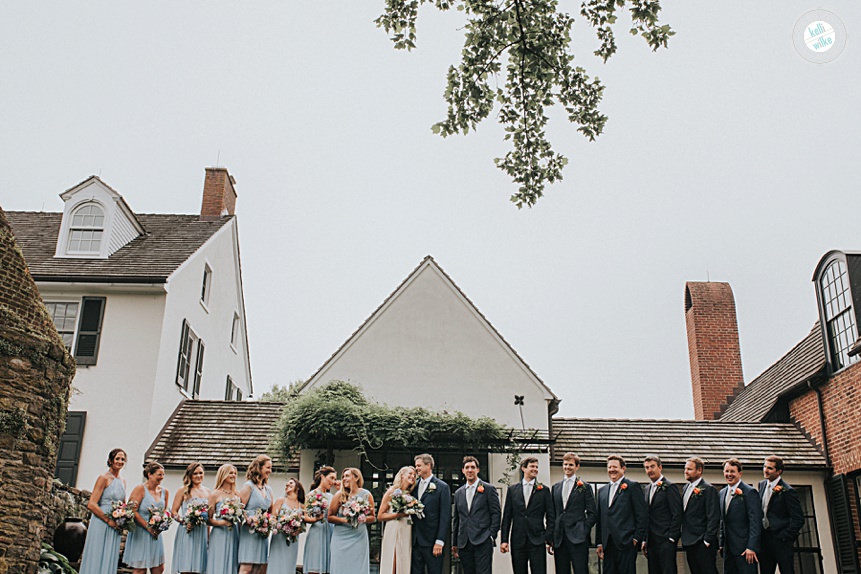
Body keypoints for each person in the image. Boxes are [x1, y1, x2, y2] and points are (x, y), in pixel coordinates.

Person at [500, 456, 554, 574]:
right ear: (523, 468)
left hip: (537, 539)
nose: (535, 469)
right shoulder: (512, 490)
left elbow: (551, 516)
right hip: (518, 539)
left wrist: (548, 537)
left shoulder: (544, 490)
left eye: (536, 467)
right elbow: (507, 517)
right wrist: (504, 540)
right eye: (532, 466)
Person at [595, 455, 648, 574]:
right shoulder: (602, 491)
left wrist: (636, 538)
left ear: (623, 468)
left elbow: (641, 515)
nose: (611, 470)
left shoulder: (632, 487)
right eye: (609, 467)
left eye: (615, 467)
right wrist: (599, 542)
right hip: (608, 544)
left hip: (626, 543)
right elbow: (600, 519)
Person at [79, 448, 128, 574]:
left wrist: (124, 516)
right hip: (101, 522)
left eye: (123, 459)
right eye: (117, 458)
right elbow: (91, 504)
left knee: (110, 555)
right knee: (97, 553)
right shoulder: (103, 478)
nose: (120, 461)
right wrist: (107, 520)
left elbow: (123, 504)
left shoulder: (123, 481)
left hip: (115, 524)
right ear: (110, 461)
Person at [452, 456, 501, 574]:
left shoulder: (488, 489)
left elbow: (496, 513)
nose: (470, 470)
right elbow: (457, 519)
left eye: (473, 467)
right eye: (467, 467)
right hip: (464, 542)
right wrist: (455, 543)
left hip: (483, 539)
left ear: (478, 470)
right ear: (463, 470)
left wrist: (491, 535)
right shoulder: (459, 493)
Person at [551, 452, 596, 574]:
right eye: (565, 464)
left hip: (578, 537)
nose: (567, 467)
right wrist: (551, 536)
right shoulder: (556, 487)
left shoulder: (584, 487)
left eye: (571, 464)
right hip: (560, 538)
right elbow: (553, 513)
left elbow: (592, 513)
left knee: (581, 570)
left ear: (577, 467)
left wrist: (583, 529)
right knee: (561, 570)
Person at [758, 455, 804, 574]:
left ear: (779, 471)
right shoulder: (762, 485)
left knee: (786, 570)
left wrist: (785, 536)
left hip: (781, 540)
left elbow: (798, 519)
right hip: (765, 539)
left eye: (770, 468)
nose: (765, 470)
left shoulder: (788, 491)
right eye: (764, 466)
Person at [123, 461, 171, 574]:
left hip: (155, 534)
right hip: (141, 532)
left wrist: (162, 524)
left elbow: (164, 511)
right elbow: (132, 510)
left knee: (159, 568)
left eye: (163, 475)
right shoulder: (140, 489)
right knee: (140, 569)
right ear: (150, 474)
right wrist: (148, 527)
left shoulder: (165, 491)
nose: (162, 477)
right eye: (159, 474)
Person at [329, 467, 376, 574]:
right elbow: (330, 517)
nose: (344, 479)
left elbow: (373, 517)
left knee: (357, 566)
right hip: (341, 537)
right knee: (340, 565)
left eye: (347, 476)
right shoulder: (339, 495)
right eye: (343, 476)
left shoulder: (366, 495)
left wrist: (362, 519)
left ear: (356, 478)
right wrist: (345, 520)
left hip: (358, 536)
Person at [719, 458, 762, 574]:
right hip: (728, 550)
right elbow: (723, 521)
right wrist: (721, 543)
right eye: (726, 471)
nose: (729, 474)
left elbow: (755, 522)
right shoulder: (722, 493)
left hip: (745, 550)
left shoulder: (749, 492)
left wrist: (751, 547)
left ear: (740, 473)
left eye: (732, 471)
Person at [411, 453, 451, 574]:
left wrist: (440, 540)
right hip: (415, 540)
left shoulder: (442, 487)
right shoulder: (413, 487)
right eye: (416, 466)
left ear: (428, 465)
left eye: (419, 465)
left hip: (432, 541)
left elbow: (445, 516)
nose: (416, 468)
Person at [642, 455, 682, 574]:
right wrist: (645, 539)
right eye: (647, 467)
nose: (650, 470)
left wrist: (671, 538)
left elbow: (677, 514)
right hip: (651, 541)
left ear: (660, 467)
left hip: (665, 541)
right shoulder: (647, 489)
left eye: (652, 466)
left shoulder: (670, 487)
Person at [680, 457, 720, 574]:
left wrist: (707, 540)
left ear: (699, 470)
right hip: (689, 541)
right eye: (685, 469)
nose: (686, 471)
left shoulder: (709, 489)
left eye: (689, 469)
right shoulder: (685, 488)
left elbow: (713, 516)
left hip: (702, 542)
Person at [238, 454, 275, 574]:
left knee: (257, 569)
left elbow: (271, 510)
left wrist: (267, 522)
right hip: (249, 531)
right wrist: (248, 519)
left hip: (262, 533)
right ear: (259, 468)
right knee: (247, 567)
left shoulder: (268, 489)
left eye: (270, 468)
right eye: (268, 467)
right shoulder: (248, 487)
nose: (270, 470)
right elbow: (239, 508)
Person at [379, 466, 418, 574]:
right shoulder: (391, 491)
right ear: (402, 475)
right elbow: (380, 516)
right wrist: (399, 514)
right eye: (410, 474)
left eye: (414, 475)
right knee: (393, 558)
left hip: (406, 529)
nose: (412, 477)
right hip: (394, 528)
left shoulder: (410, 495)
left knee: (403, 559)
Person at [171, 462, 210, 574]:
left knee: (200, 568)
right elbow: (174, 512)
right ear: (190, 475)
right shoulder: (183, 491)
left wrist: (208, 537)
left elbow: (209, 516)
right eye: (195, 473)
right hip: (187, 531)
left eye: (201, 473)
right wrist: (184, 521)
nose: (198, 476)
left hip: (201, 532)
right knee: (186, 567)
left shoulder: (207, 491)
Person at [206, 464, 242, 574]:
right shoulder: (215, 494)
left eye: (235, 473)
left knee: (232, 561)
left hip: (234, 533)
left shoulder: (237, 494)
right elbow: (208, 519)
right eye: (231, 473)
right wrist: (222, 523)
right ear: (223, 474)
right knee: (218, 561)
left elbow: (240, 517)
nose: (233, 475)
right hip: (219, 534)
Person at [269, 478, 307, 574]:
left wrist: (297, 530)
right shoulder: (281, 500)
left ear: (297, 487)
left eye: (290, 483)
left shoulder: (301, 506)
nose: (287, 485)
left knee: (289, 564)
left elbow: (303, 525)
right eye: (286, 483)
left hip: (293, 540)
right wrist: (281, 525)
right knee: (276, 563)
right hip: (279, 538)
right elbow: (272, 517)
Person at [304, 466, 337, 574]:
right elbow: (305, 516)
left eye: (335, 479)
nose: (333, 481)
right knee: (315, 567)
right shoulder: (311, 495)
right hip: (317, 532)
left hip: (331, 532)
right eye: (331, 478)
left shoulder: (332, 496)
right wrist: (316, 519)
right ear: (323, 476)